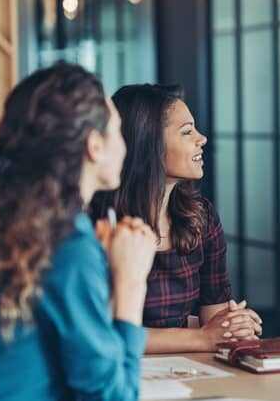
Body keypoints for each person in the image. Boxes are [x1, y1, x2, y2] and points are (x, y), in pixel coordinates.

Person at [0, 63, 157, 400]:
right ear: (94, 146)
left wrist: (104, 281)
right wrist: (131, 282)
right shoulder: (67, 241)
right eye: (118, 131)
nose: (125, 145)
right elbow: (112, 396)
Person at [91, 84, 262, 353]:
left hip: (188, 372)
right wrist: (203, 338)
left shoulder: (201, 216)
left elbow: (214, 317)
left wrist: (233, 325)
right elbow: (98, 332)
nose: (202, 138)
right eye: (187, 131)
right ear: (148, 143)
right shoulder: (98, 224)